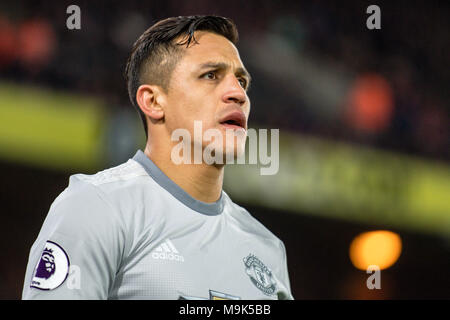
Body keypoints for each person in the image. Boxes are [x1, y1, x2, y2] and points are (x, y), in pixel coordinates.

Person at [22, 15, 293, 300]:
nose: (238, 94)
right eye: (211, 75)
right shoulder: (96, 207)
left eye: (241, 81)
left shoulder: (267, 249)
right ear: (153, 101)